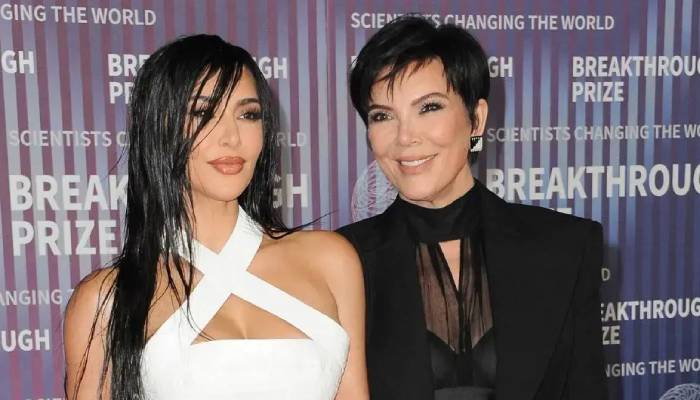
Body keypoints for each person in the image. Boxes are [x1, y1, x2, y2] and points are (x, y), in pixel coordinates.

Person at [63, 34, 368, 400]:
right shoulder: (106, 300)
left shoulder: (330, 260)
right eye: (203, 113)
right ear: (159, 127)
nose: (231, 137)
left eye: (247, 114)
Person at [337, 16, 606, 400]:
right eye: (383, 115)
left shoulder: (566, 247)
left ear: (476, 119)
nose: (405, 137)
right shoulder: (341, 263)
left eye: (429, 107)